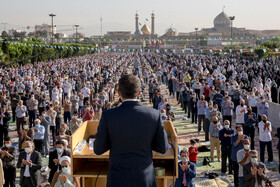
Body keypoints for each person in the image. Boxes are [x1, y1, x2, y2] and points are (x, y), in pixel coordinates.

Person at [94, 74, 168, 187]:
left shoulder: (108, 115)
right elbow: (163, 148)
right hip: (144, 178)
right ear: (139, 93)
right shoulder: (154, 115)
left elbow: (98, 149)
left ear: (118, 92)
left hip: (118, 179)